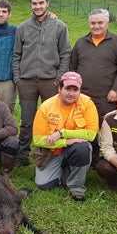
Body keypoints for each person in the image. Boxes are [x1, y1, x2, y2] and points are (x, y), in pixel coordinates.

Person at [13, 0, 71, 166]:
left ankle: (49, 154)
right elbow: (16, 55)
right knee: (27, 121)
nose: (37, 6)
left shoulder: (59, 26)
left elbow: (65, 53)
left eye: (41, 3)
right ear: (31, 5)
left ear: (47, 3)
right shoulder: (22, 28)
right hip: (27, 82)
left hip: (50, 82)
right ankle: (22, 155)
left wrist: (58, 78)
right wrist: (18, 79)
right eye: (34, 3)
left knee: (52, 120)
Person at [70, 8, 117, 166]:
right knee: (84, 127)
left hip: (106, 96)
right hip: (83, 96)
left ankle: (103, 159)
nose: (96, 26)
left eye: (100, 22)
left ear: (107, 23)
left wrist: (116, 89)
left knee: (104, 127)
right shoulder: (81, 43)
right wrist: (74, 90)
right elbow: (73, 67)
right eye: (93, 23)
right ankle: (86, 158)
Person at [32, 72, 98, 201]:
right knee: (44, 185)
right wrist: (66, 142)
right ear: (59, 88)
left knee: (82, 148)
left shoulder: (87, 104)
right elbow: (37, 139)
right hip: (53, 152)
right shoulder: (46, 107)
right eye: (68, 88)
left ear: (80, 90)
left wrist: (62, 133)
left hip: (75, 148)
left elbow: (91, 134)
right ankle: (65, 170)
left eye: (75, 89)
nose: (71, 93)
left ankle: (77, 188)